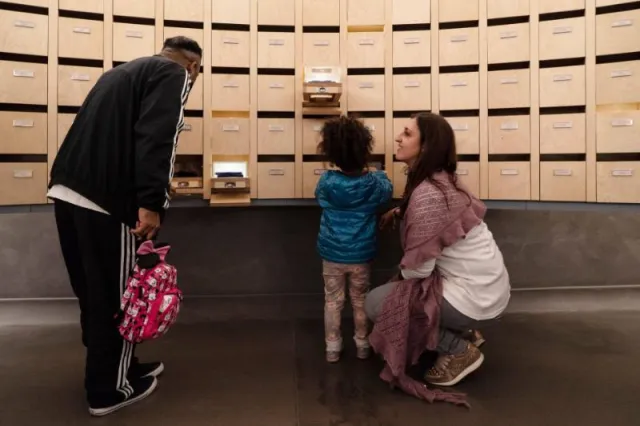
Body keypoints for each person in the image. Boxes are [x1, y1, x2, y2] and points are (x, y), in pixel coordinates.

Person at [47, 36, 202, 416]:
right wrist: (151, 202)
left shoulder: (119, 74)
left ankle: (122, 367)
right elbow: (157, 138)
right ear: (194, 66)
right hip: (108, 202)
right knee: (118, 298)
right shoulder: (173, 73)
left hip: (70, 190)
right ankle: (108, 389)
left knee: (95, 291)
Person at [364, 112, 511, 406]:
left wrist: (396, 284)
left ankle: (458, 349)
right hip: (490, 288)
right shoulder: (443, 181)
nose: (398, 138)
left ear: (426, 147)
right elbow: (434, 222)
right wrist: (400, 212)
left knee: (378, 304)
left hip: (474, 298)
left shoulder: (427, 196)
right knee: (401, 289)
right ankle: (463, 329)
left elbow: (419, 270)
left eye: (407, 134)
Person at [315, 115, 393, 363]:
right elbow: (387, 190)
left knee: (332, 301)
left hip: (332, 254)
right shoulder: (373, 183)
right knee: (360, 300)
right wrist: (379, 174)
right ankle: (362, 345)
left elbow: (320, 196)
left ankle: (332, 348)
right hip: (360, 255)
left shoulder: (327, 181)